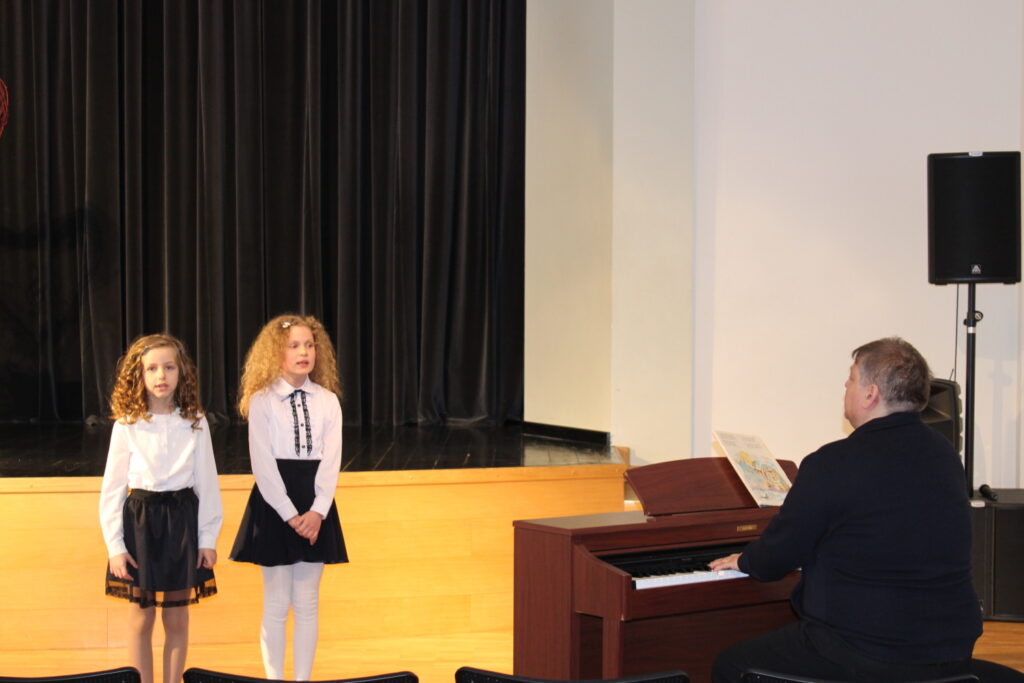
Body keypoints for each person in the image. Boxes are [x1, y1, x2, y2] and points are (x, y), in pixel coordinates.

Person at [709, 337, 982, 683]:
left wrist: (746, 560)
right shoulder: (944, 455)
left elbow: (781, 552)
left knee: (731, 665)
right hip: (951, 649)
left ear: (870, 394)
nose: (845, 386)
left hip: (868, 650)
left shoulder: (833, 462)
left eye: (851, 378)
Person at [99, 334, 223, 683]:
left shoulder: (195, 421)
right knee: (142, 618)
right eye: (151, 368)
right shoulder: (127, 425)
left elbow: (207, 484)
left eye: (169, 367)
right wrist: (115, 547)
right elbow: (112, 490)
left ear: (181, 373)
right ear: (138, 375)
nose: (161, 375)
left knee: (177, 617)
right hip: (140, 524)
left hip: (182, 523)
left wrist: (208, 538)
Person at [231, 314, 348, 681]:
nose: (303, 352)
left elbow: (331, 461)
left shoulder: (328, 401)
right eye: (294, 345)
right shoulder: (263, 401)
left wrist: (317, 511)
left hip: (314, 503)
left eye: (309, 345)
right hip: (275, 504)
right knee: (277, 602)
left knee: (308, 602)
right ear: (275, 353)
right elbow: (263, 464)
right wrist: (288, 513)